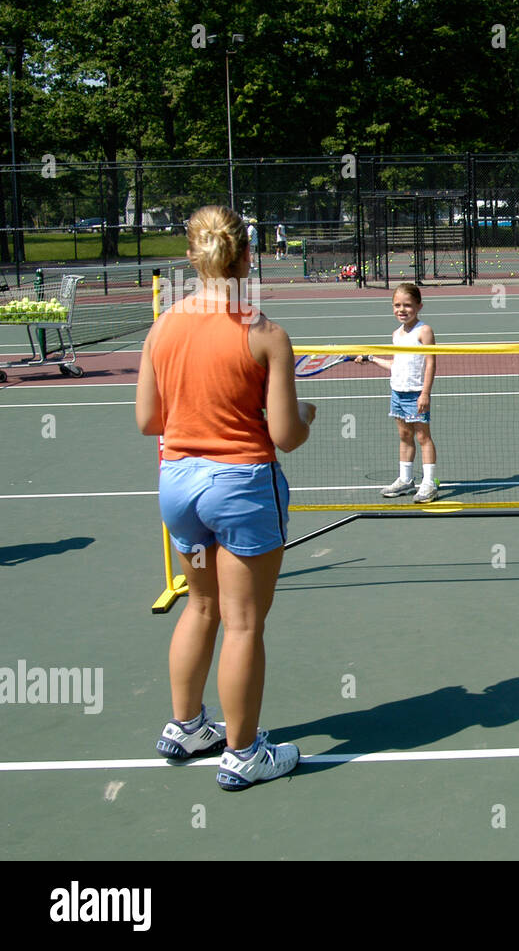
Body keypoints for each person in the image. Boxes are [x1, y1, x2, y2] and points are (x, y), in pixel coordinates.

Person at [135, 204, 314, 790]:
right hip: (239, 489)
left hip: (179, 489)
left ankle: (186, 726)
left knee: (201, 606)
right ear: (246, 257)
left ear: (192, 256)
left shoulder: (162, 327)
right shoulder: (266, 334)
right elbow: (286, 435)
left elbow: (148, 420)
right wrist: (304, 412)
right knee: (242, 624)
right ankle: (243, 754)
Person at [367, 283, 439, 503]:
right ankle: (406, 480)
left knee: (422, 437)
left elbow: (430, 364)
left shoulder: (424, 331)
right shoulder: (396, 334)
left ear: (419, 306)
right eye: (397, 305)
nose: (402, 309)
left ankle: (429, 483)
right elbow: (396, 364)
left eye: (407, 305)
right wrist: (371, 358)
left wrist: (425, 393)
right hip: (397, 393)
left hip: (416, 393)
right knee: (404, 436)